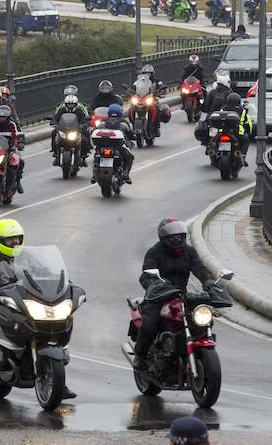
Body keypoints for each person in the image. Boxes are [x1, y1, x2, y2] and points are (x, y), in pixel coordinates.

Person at [0, 220, 79, 399]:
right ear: (0, 240)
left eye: (17, 239)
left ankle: (59, 382)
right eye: (10, 240)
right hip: (0, 297)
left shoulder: (26, 255)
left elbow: (45, 270)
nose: (14, 243)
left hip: (24, 297)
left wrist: (61, 281)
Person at [132, 218, 213, 370]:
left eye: (180, 236)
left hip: (181, 297)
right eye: (173, 237)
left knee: (202, 320)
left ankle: (197, 351)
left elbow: (200, 268)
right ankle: (140, 355)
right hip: (158, 298)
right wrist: (156, 285)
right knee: (150, 324)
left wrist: (208, 281)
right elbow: (146, 276)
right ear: (164, 238)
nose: (177, 239)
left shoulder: (189, 251)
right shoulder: (154, 252)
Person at [93, 104, 134, 184]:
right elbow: (130, 134)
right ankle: (126, 174)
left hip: (103, 146)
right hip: (118, 148)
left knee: (97, 154)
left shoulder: (103, 122)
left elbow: (95, 130)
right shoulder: (124, 123)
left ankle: (94, 174)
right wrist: (134, 137)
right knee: (130, 157)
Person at [51, 94, 91, 166]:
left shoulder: (79, 111)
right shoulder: (62, 110)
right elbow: (56, 118)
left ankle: (83, 157)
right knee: (54, 133)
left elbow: (84, 120)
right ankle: (56, 153)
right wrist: (54, 123)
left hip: (76, 130)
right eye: (69, 104)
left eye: (72, 104)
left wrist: (84, 125)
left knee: (84, 139)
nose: (70, 106)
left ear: (75, 104)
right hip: (64, 130)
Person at [222, 92, 252, 162]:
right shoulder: (242, 110)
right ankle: (243, 157)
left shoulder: (223, 108)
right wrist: (249, 132)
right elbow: (248, 123)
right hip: (237, 132)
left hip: (223, 131)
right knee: (246, 142)